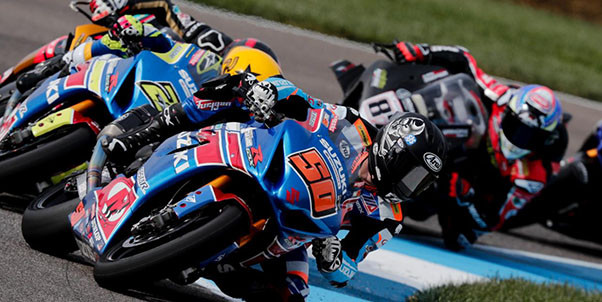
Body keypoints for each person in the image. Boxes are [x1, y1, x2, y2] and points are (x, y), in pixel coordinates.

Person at [100, 72, 448, 300]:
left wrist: (334, 258)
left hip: (295, 230)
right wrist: (270, 91)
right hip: (269, 162)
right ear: (393, 151)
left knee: (294, 294)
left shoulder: (389, 215)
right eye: (411, 174)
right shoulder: (353, 125)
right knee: (238, 84)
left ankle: (217, 261)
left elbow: (349, 268)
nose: (409, 186)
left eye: (419, 183)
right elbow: (305, 102)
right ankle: (155, 128)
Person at [393, 41, 567, 249]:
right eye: (517, 127)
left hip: (477, 191)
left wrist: (465, 197)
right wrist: (422, 52)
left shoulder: (533, 174)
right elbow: (465, 60)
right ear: (509, 112)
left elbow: (493, 220)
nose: (520, 138)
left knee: (458, 239)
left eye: (530, 136)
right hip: (463, 153)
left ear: (544, 139)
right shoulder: (503, 97)